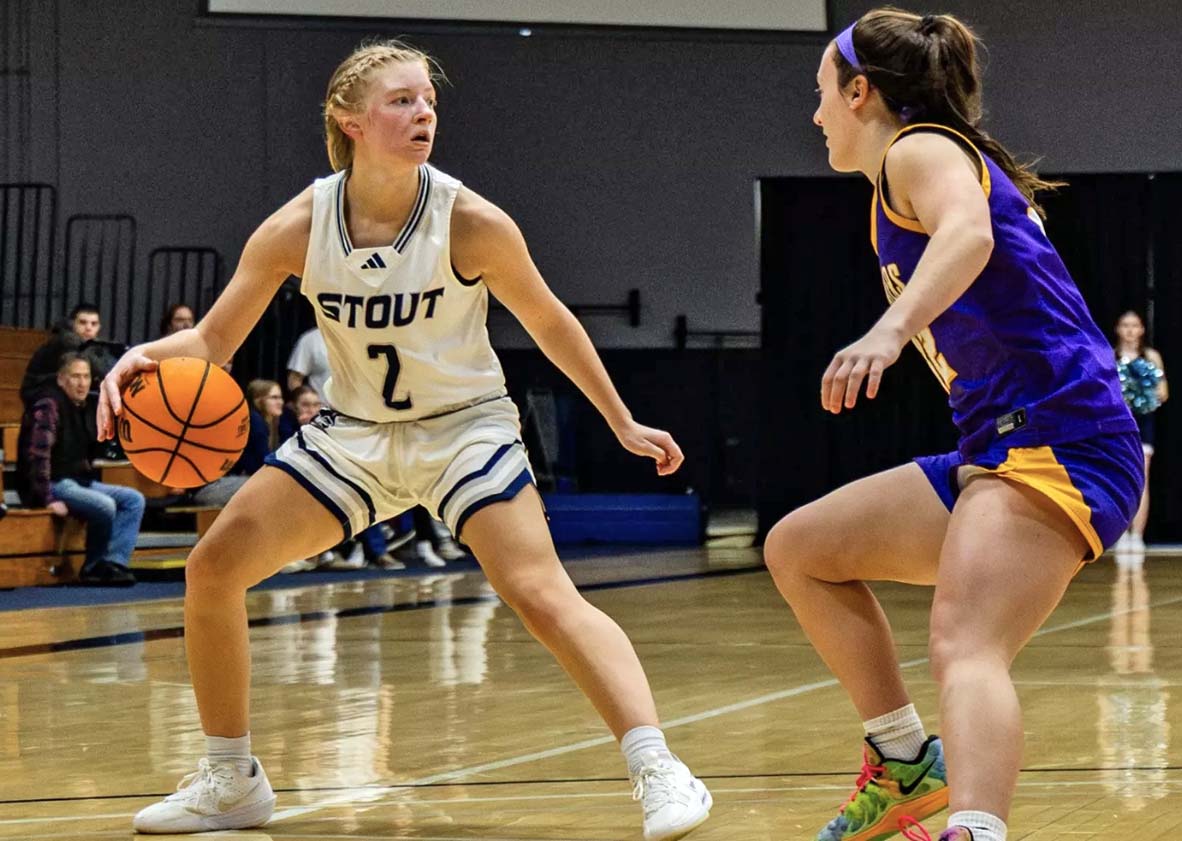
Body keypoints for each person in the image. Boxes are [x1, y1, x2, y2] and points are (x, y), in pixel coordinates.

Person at [98, 39, 710, 839]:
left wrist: (622, 419)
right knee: (212, 568)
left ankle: (659, 765)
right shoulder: (297, 225)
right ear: (348, 120)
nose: (423, 113)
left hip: (465, 427)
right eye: (401, 101)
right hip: (354, 434)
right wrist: (136, 358)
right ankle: (230, 776)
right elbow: (213, 342)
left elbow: (551, 322)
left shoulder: (471, 220)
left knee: (537, 589)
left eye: (428, 101)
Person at [763, 10, 1142, 841]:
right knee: (800, 549)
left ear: (861, 92)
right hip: (998, 445)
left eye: (821, 93)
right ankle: (903, 762)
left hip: (1060, 439)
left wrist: (888, 331)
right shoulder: (899, 179)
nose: (816, 113)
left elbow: (967, 234)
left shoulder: (918, 149)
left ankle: (974, 828)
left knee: (966, 643)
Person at [17, 353, 144, 586]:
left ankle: (114, 563)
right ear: (61, 379)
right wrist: (45, 498)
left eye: (86, 376)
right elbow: (37, 455)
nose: (82, 382)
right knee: (105, 505)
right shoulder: (48, 404)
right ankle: (94, 566)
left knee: (133, 500)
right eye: (75, 376)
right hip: (54, 484)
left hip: (77, 481)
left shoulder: (84, 407)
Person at [1112, 310, 1168, 553]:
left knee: (1142, 478)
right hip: (1118, 425)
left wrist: (1142, 393)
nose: (1130, 330)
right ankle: (1121, 534)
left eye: (1135, 325)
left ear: (1142, 329)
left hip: (1143, 423)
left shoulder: (1151, 356)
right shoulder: (1110, 356)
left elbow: (1164, 393)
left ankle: (1137, 536)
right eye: (1125, 325)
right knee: (1120, 477)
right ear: (1118, 329)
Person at [191, 379, 283, 507]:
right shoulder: (255, 421)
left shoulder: (262, 422)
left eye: (280, 397)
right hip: (213, 488)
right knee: (274, 488)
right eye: (274, 397)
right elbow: (262, 466)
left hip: (224, 484)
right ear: (258, 400)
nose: (280, 402)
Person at [21, 304, 121, 405]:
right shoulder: (65, 341)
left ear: (99, 327)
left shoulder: (93, 345)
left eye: (93, 324)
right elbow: (103, 370)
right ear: (72, 324)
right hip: (41, 393)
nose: (88, 328)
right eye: (82, 323)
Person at [286, 326, 332, 405]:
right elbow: (295, 378)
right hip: (322, 412)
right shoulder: (311, 339)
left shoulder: (358, 338)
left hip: (357, 413)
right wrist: (303, 406)